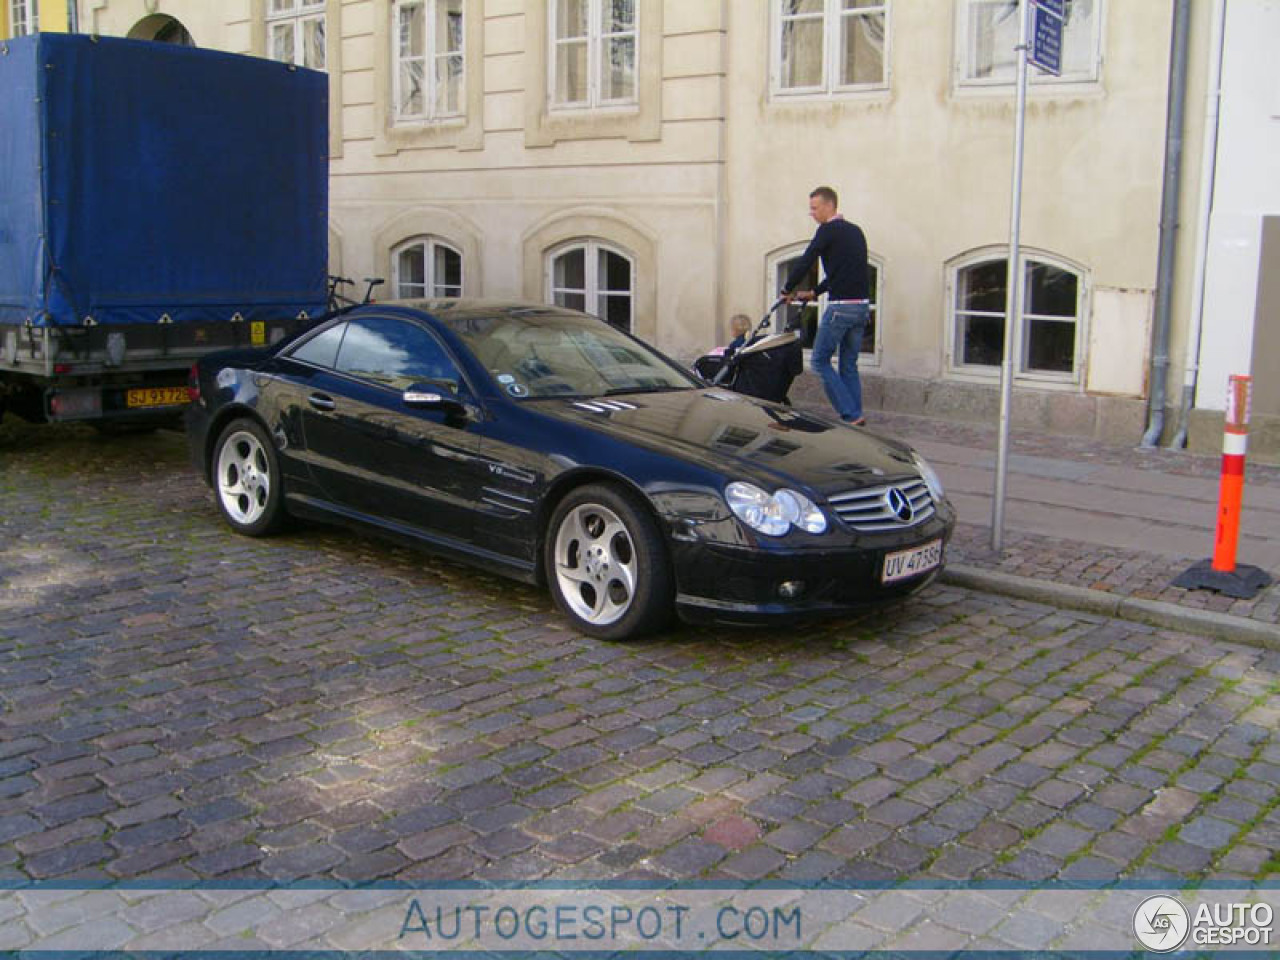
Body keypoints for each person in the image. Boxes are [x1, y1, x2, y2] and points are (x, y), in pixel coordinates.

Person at [781, 186, 870, 426]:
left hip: (840, 308)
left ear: (829, 206)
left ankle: (850, 414)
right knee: (848, 364)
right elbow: (843, 273)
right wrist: (814, 292)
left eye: (814, 208)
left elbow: (807, 259)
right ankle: (856, 414)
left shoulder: (827, 231)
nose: (812, 213)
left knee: (819, 361)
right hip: (861, 307)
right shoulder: (855, 232)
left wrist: (787, 288)